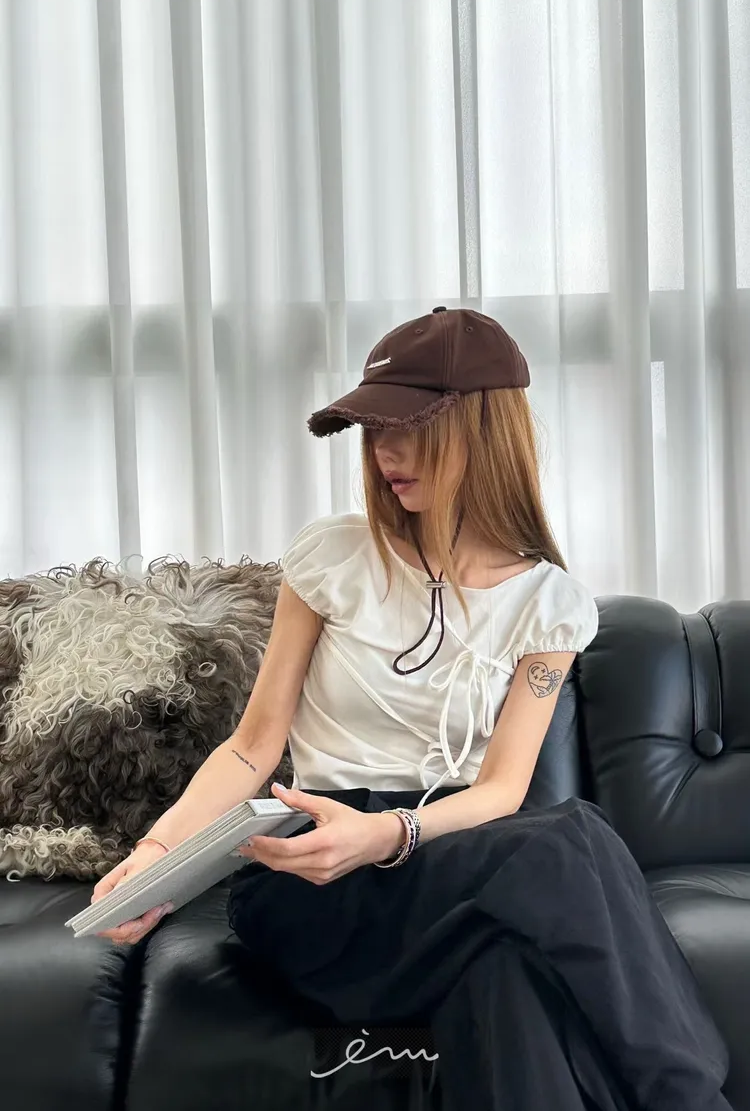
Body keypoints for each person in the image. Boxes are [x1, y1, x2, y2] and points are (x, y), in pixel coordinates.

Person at [92, 307, 733, 1110]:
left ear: (483, 431)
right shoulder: (332, 558)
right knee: (574, 835)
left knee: (507, 979)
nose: (384, 453)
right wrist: (156, 852)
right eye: (373, 430)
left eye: (408, 429)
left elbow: (501, 791)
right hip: (318, 877)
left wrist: (392, 834)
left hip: (449, 863)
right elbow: (252, 745)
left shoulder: (551, 606)